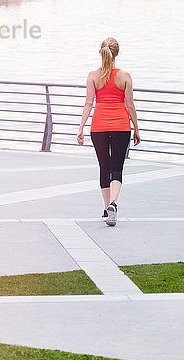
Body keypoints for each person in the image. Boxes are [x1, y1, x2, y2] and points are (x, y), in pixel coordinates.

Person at [77, 37, 140, 226]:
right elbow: (130, 106)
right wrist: (136, 128)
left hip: (98, 128)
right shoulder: (125, 76)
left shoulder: (92, 76)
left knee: (104, 167)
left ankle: (106, 209)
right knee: (116, 168)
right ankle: (113, 203)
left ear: (101, 52)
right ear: (117, 54)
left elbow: (89, 103)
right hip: (121, 126)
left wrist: (80, 128)